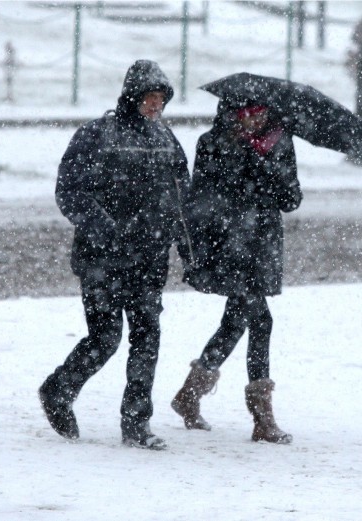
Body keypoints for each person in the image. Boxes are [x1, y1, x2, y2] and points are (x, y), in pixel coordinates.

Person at [38, 60, 191, 450]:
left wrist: (185, 244)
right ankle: (58, 390)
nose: (156, 106)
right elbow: (70, 191)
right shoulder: (97, 134)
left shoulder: (167, 139)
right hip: (101, 259)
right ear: (132, 96)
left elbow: (180, 197)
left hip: (150, 259)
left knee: (147, 337)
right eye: (150, 97)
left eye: (161, 99)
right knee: (105, 338)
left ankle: (137, 423)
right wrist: (108, 230)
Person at [171, 100, 302, 444]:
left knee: (236, 322)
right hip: (230, 244)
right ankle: (262, 419)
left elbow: (291, 199)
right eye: (248, 113)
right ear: (232, 113)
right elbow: (201, 199)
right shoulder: (212, 143)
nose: (256, 120)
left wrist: (267, 170)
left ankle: (189, 394)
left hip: (263, 244)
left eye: (262, 113)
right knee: (260, 321)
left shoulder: (279, 141)